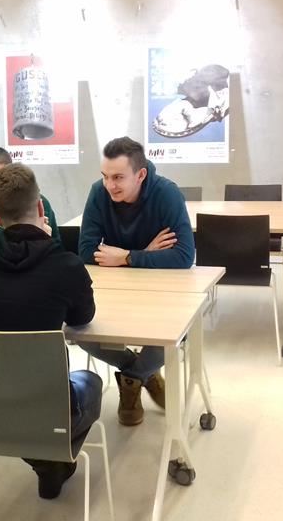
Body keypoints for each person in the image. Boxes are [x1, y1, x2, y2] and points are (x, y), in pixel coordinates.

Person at [0, 163, 101, 500]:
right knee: (91, 381)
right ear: (40, 208)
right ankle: (49, 460)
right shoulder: (65, 265)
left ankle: (46, 463)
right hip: (48, 408)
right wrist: (48, 244)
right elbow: (83, 317)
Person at [77, 136, 195, 426]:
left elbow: (183, 256)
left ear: (140, 174)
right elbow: (86, 251)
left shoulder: (166, 193)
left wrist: (127, 256)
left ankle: (132, 378)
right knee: (81, 333)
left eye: (118, 177)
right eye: (105, 176)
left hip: (164, 289)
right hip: (115, 288)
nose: (110, 185)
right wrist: (146, 253)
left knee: (176, 333)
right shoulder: (98, 192)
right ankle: (144, 373)